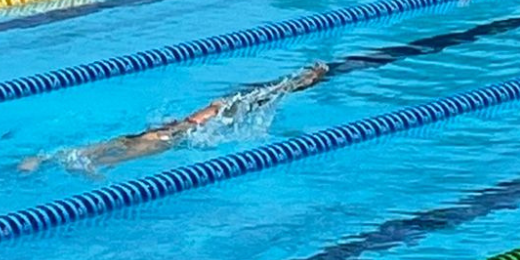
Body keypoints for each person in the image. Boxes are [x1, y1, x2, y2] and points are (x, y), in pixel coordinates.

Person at [20, 62, 330, 175]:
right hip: (164, 139)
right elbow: (266, 95)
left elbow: (264, 94)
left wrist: (301, 80)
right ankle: (81, 166)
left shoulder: (200, 115)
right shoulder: (218, 114)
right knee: (112, 158)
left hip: (155, 132)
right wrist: (302, 82)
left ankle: (45, 158)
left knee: (104, 147)